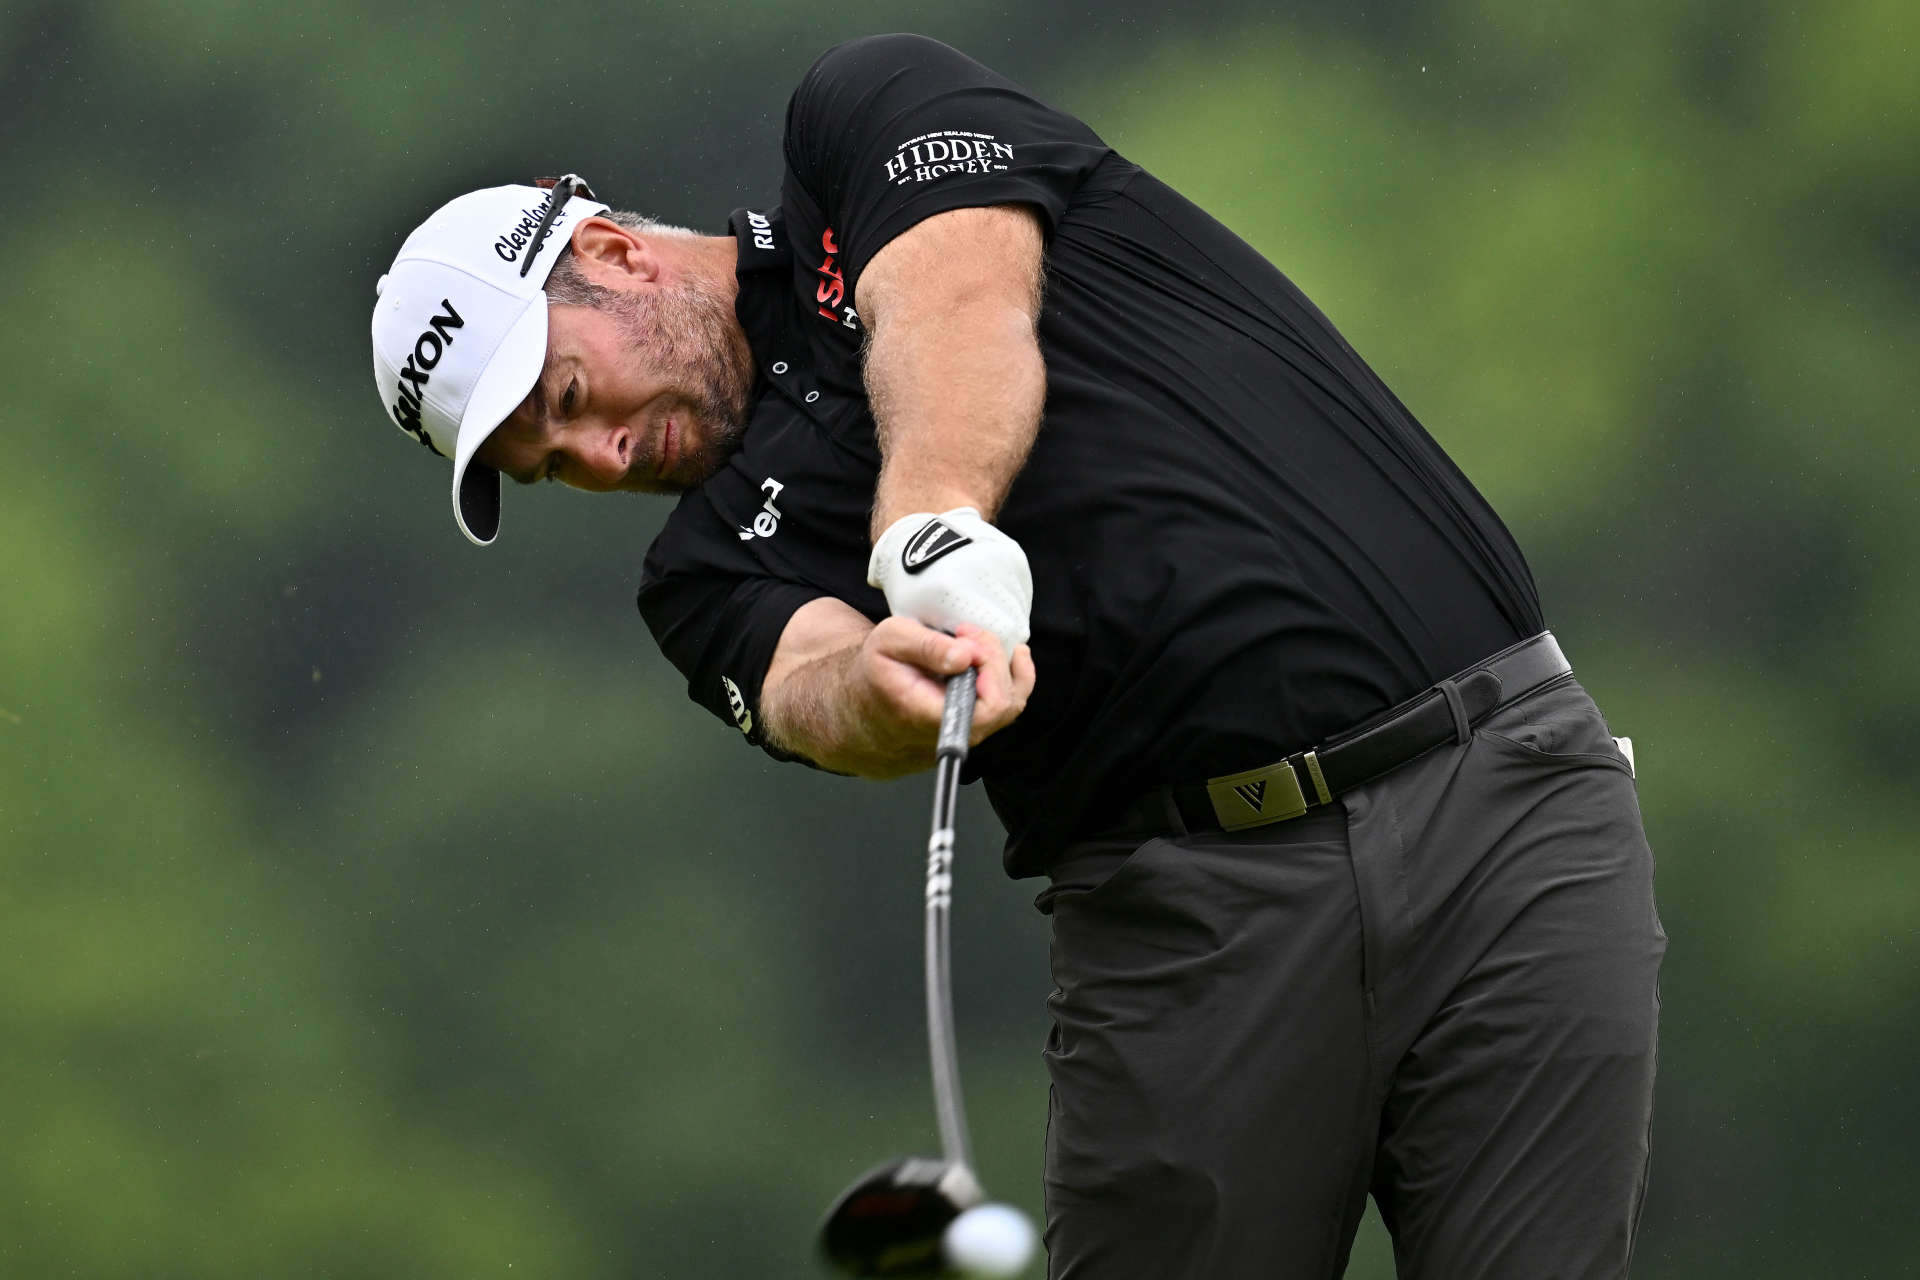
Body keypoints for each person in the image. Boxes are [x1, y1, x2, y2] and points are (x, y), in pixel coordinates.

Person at [369, 33, 1664, 1279]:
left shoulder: (861, 123)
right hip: (1184, 933)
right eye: (549, 468)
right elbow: (808, 684)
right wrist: (876, 681)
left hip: (1502, 799)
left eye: (568, 400)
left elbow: (957, 298)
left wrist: (928, 520)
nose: (594, 459)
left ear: (608, 256)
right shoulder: (700, 575)